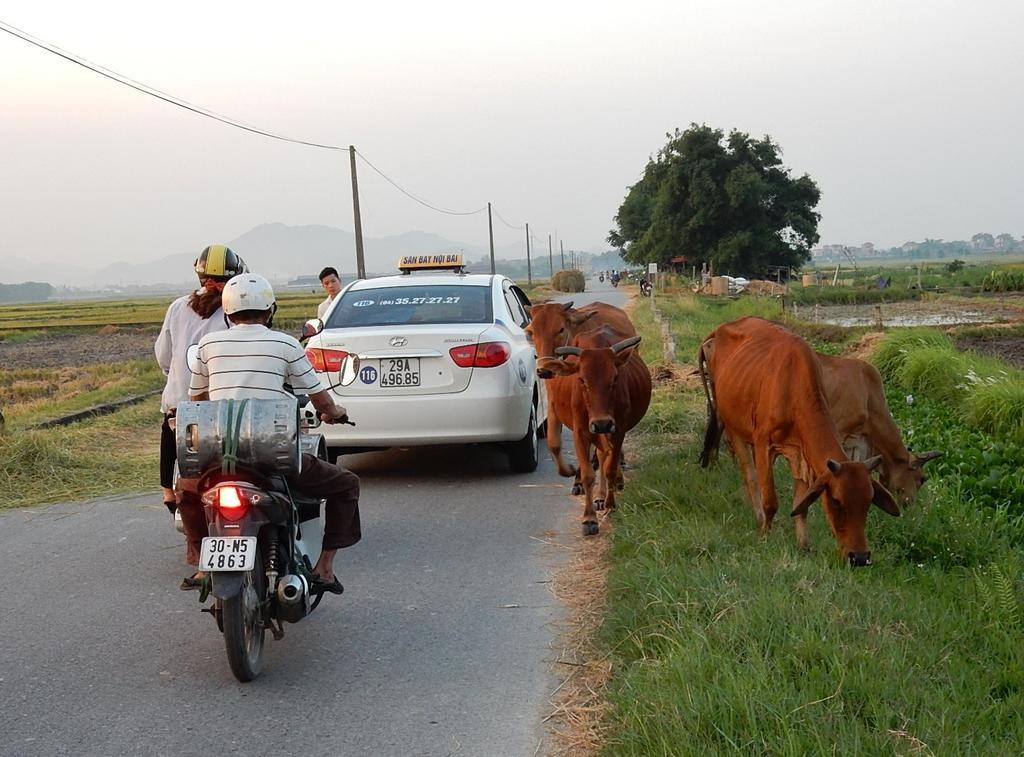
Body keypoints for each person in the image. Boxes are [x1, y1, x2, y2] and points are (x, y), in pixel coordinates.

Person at [178, 272, 361, 596]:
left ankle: (202, 561)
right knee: (346, 484)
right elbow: (320, 398)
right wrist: (334, 413)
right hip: (273, 456)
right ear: (270, 310)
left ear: (228, 312)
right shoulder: (286, 344)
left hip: (219, 456)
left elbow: (198, 401)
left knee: (186, 490)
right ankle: (325, 568)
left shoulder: (208, 344)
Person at [154, 245, 247, 514]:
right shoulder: (234, 310)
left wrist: (173, 376)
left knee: (171, 417)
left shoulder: (176, 307)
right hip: (219, 404)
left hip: (181, 402)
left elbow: (163, 354)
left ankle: (167, 491)